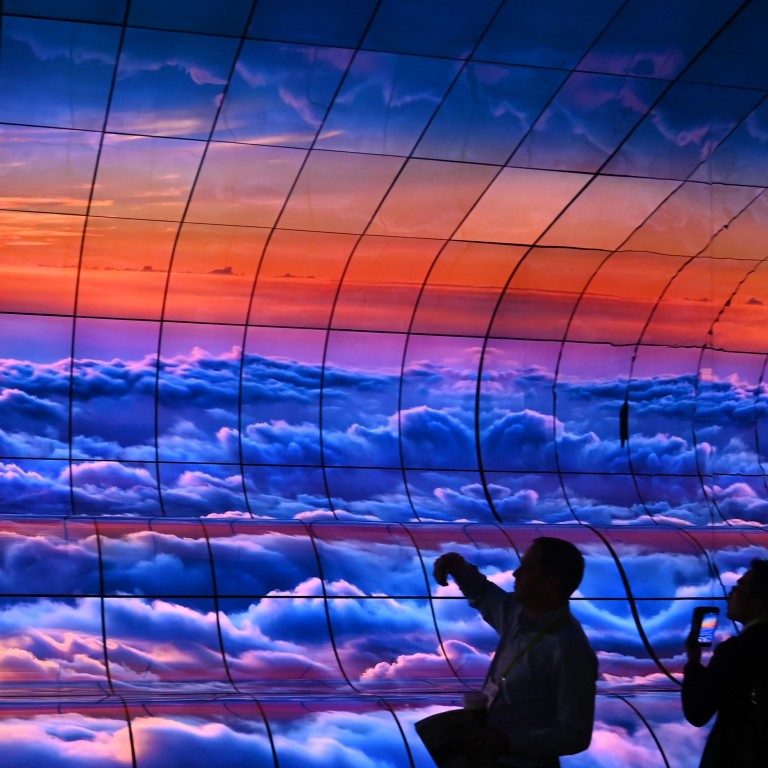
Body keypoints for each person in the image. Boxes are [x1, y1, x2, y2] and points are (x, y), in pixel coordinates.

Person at [428, 537, 598, 768]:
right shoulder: (519, 616)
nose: (516, 574)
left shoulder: (569, 650)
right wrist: (458, 566)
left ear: (551, 584)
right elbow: (485, 595)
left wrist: (509, 743)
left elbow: (574, 734)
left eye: (527, 568)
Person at [682, 559, 768, 767]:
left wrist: (694, 663)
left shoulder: (735, 651)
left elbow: (697, 712)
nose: (730, 594)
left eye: (738, 588)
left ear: (756, 604)